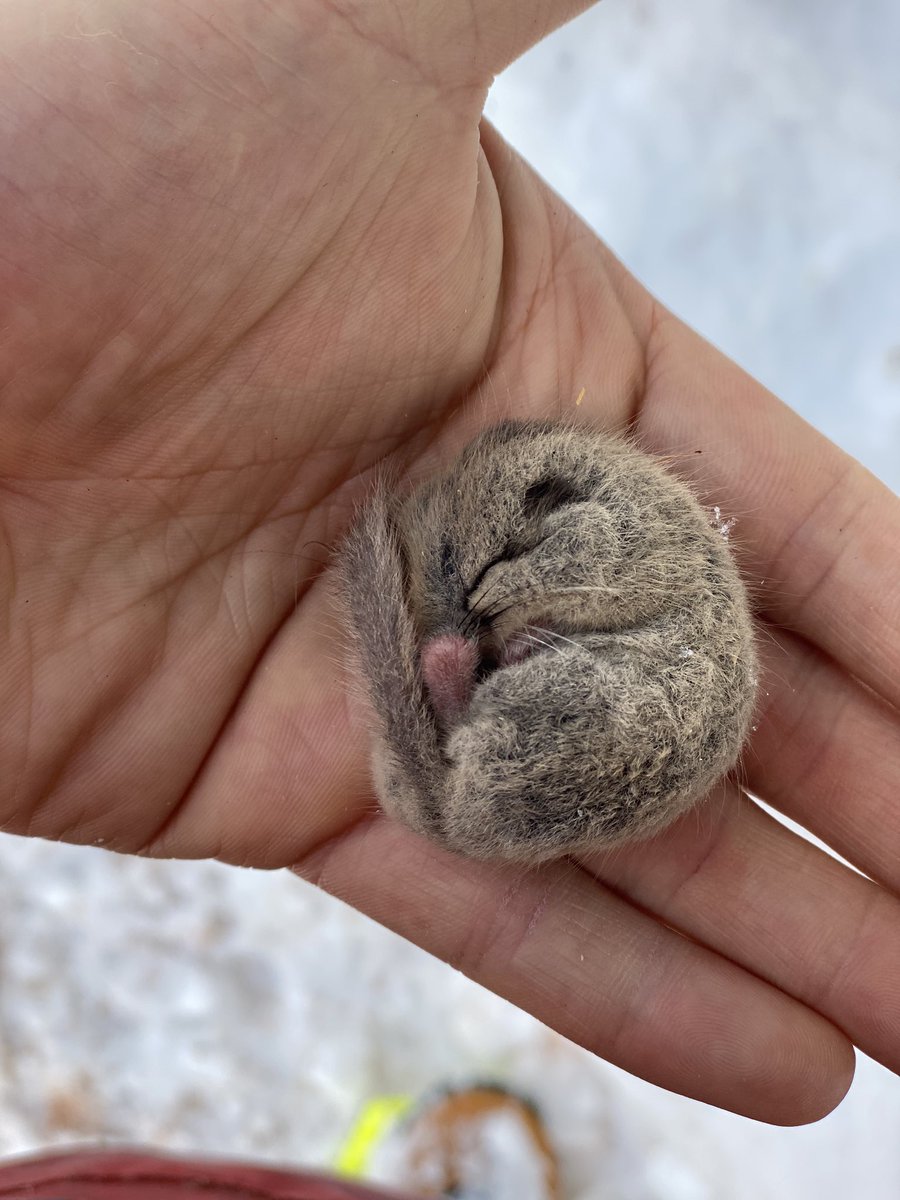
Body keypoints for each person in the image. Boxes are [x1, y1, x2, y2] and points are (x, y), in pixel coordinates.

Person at [1, 2, 899, 1193]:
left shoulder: (582, 529)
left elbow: (531, 587)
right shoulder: (536, 536)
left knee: (526, 716)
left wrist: (489, 620)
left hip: (595, 691)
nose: (451, 625)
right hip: (566, 705)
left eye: (464, 619)